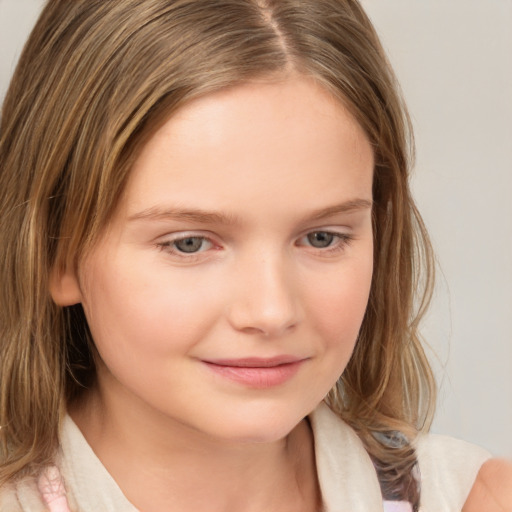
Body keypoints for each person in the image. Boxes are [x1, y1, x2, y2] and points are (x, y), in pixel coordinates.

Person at [0, 1, 509, 511]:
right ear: (56, 253)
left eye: (322, 238)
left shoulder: (474, 499)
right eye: (189, 243)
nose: (272, 312)